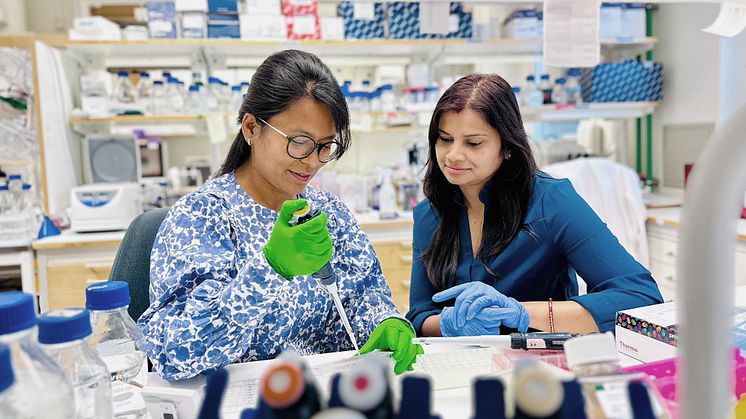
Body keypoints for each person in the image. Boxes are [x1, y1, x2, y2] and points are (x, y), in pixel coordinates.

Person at [138, 50, 422, 380]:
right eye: (299, 142)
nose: (312, 161)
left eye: (325, 145)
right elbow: (175, 353)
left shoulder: (329, 213)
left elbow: (361, 298)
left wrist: (384, 321)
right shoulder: (202, 216)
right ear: (251, 128)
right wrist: (270, 269)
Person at [406, 74, 663, 337]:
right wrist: (449, 324)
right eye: (445, 139)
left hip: (540, 366)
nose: (453, 155)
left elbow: (640, 296)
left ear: (507, 146)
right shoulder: (429, 214)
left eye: (473, 143)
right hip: (459, 365)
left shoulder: (551, 201)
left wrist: (522, 313)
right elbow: (419, 314)